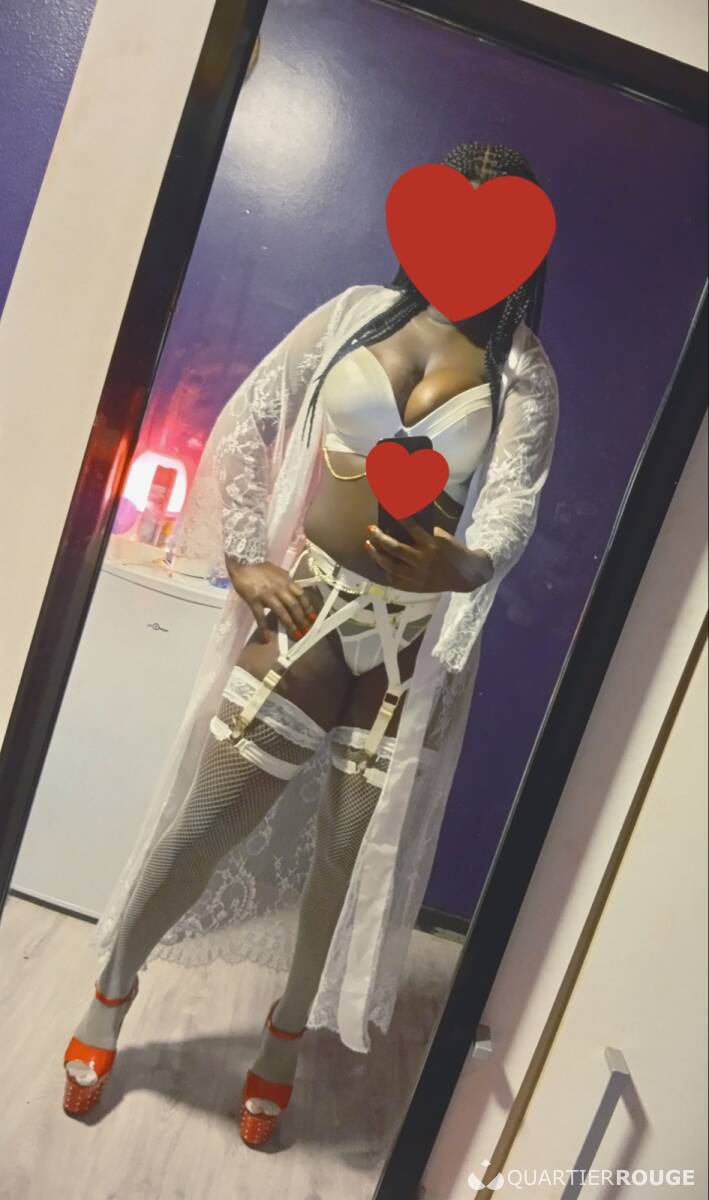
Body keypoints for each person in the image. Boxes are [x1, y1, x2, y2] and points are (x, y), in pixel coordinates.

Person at [62, 141, 559, 1147]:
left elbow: (511, 507)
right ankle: (110, 992)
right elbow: (251, 416)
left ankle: (283, 1043)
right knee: (203, 825)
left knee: (340, 865)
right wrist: (245, 556)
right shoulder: (350, 317)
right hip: (311, 613)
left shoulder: (521, 373)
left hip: (406, 650)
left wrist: (463, 564)